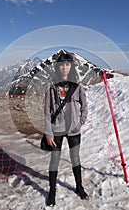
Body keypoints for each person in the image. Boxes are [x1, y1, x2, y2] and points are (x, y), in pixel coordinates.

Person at [44, 53, 89, 207]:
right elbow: (47, 111)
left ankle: (79, 187)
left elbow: (84, 106)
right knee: (54, 160)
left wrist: (80, 121)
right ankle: (52, 191)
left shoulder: (77, 86)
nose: (64, 67)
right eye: (62, 64)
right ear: (58, 67)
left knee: (75, 159)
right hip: (56, 130)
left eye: (68, 64)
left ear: (71, 67)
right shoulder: (51, 87)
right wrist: (48, 132)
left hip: (74, 130)